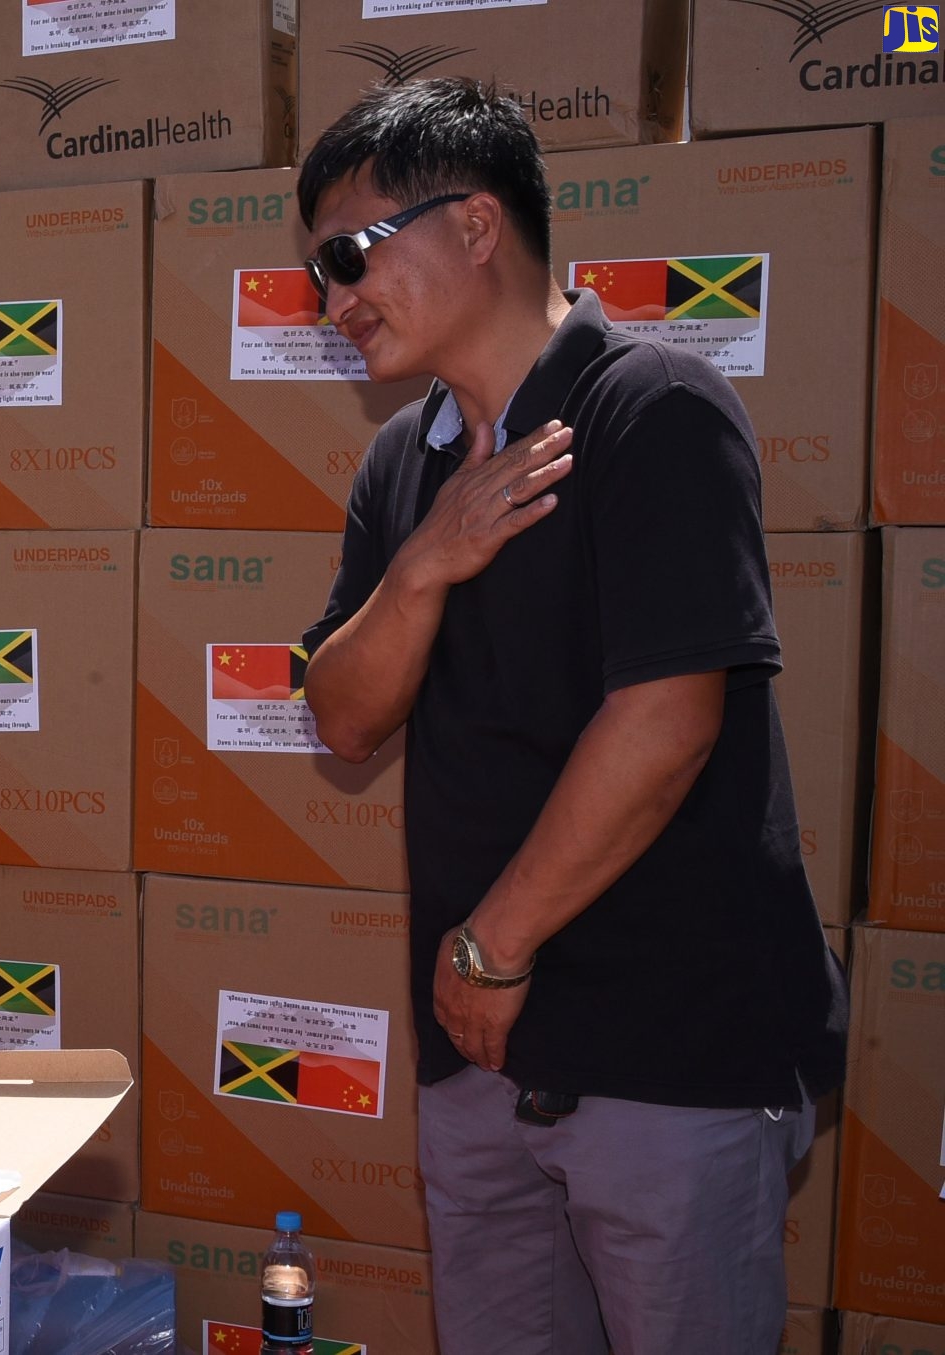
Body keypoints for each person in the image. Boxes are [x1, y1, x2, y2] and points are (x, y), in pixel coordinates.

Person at [296, 79, 845, 1353]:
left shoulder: (649, 408)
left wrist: (487, 946)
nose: (334, 299)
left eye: (349, 255)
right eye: (318, 272)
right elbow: (340, 712)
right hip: (478, 1064)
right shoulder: (403, 466)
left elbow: (663, 725)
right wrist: (423, 561)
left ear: (475, 224)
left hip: (665, 1061)